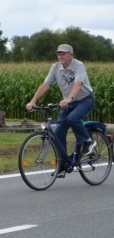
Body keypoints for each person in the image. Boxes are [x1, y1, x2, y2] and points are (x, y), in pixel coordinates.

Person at [26, 43, 95, 177]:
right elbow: (45, 85)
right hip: (68, 103)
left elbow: (78, 84)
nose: (60, 56)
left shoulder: (78, 65)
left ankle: (87, 141)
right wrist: (33, 101)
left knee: (73, 118)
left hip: (85, 100)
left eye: (63, 53)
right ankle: (63, 163)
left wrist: (69, 98)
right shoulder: (55, 68)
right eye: (59, 53)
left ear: (71, 54)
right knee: (58, 132)